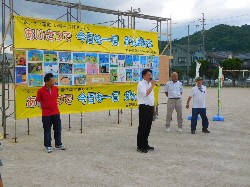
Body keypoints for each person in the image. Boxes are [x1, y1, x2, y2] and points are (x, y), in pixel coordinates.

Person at [36, 73, 66, 153]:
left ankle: (58, 144)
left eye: (53, 80)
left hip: (56, 112)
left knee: (58, 129)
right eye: (52, 81)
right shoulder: (40, 91)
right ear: (46, 81)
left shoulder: (55, 89)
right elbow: (38, 102)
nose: (53, 82)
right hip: (46, 114)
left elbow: (56, 98)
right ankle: (48, 146)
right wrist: (45, 108)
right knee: (47, 130)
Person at [137, 69, 156, 153]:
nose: (150, 76)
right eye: (148, 74)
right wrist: (152, 86)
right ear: (144, 76)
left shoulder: (149, 84)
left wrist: (154, 107)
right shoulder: (141, 84)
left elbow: (152, 96)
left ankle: (145, 144)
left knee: (148, 127)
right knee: (142, 127)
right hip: (144, 107)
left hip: (150, 107)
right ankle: (140, 146)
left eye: (151, 74)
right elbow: (146, 94)